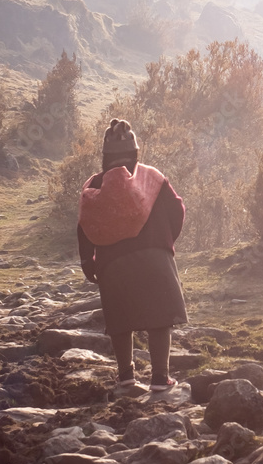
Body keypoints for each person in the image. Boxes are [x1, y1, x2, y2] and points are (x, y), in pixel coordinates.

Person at [77, 118, 188, 395]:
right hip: (154, 259)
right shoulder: (153, 176)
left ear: (105, 156)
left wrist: (86, 261)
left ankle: (126, 376)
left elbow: (84, 226)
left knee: (120, 319)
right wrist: (165, 243)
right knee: (160, 318)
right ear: (136, 151)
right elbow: (177, 210)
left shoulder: (94, 184)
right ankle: (160, 379)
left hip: (112, 265)